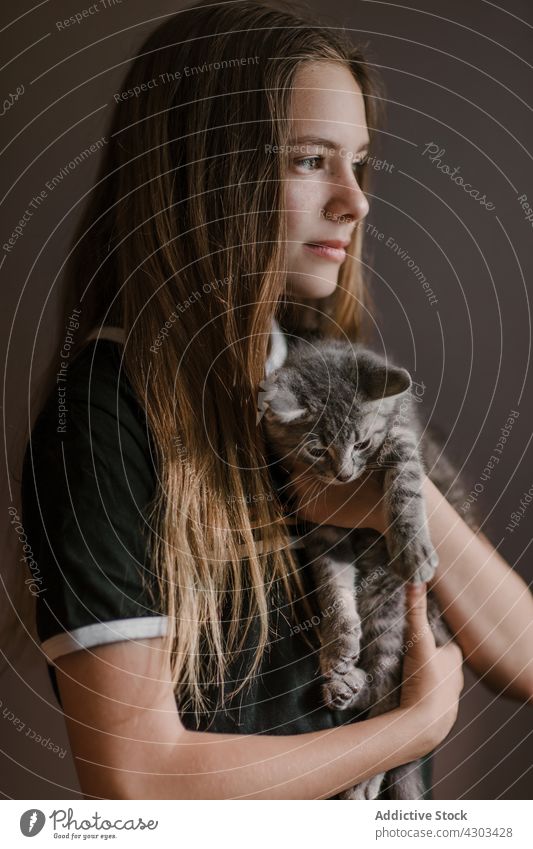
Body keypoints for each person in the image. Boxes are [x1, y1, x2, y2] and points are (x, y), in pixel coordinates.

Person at [20, 0, 532, 801]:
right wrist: (412, 728)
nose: (354, 201)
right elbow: (138, 778)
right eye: (308, 160)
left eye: (358, 162)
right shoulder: (103, 414)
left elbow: (526, 655)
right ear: (206, 168)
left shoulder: (326, 379)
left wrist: (399, 505)